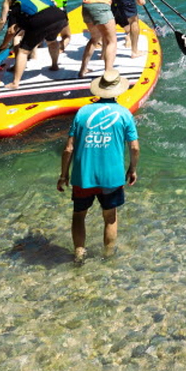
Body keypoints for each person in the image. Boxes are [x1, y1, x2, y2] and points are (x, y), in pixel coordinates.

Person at [57, 73, 140, 263]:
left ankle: (79, 254)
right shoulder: (124, 114)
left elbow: (68, 148)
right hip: (112, 177)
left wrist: (64, 175)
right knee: (110, 218)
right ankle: (108, 257)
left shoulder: (82, 112)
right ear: (118, 91)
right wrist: (132, 169)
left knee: (79, 216)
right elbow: (134, 147)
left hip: (83, 176)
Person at [0, 0, 73, 85]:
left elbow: (3, 22)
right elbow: (52, 1)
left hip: (35, 16)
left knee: (22, 49)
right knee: (52, 41)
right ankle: (54, 65)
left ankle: (15, 82)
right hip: (59, 15)